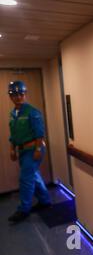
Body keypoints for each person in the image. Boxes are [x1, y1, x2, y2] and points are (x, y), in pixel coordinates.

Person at [7, 81, 51, 223]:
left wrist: (38, 149)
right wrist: (12, 149)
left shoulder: (32, 111)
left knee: (25, 179)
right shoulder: (13, 114)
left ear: (25, 94)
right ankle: (45, 201)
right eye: (14, 94)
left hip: (34, 149)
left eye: (21, 94)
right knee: (34, 176)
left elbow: (40, 133)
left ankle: (23, 210)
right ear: (10, 96)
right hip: (22, 151)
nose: (18, 97)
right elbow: (13, 134)